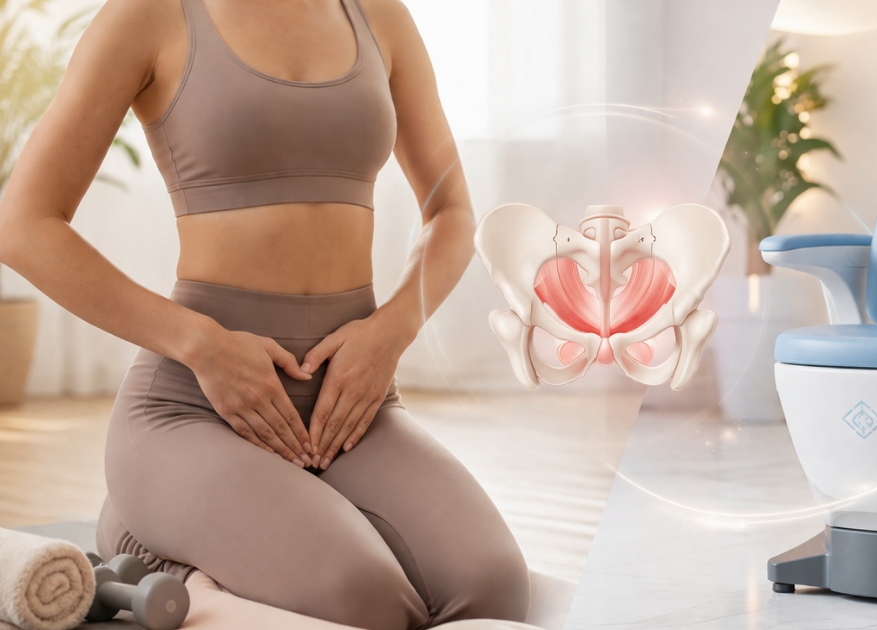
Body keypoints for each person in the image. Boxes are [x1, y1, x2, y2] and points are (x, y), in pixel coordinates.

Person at [0, 0, 530, 627]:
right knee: (365, 602)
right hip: (193, 408)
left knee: (493, 588)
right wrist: (200, 343)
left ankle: (217, 520)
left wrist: (392, 330)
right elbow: (23, 226)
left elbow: (451, 212)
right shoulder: (148, 14)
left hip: (349, 407)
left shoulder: (377, 14)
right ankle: (150, 534)